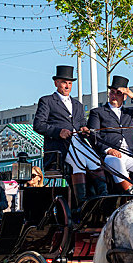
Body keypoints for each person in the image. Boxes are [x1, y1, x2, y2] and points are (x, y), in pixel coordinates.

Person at [33, 65, 107, 207]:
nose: (67, 86)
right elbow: (38, 125)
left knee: (96, 162)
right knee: (78, 163)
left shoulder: (78, 105)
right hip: (61, 147)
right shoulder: (47, 101)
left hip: (79, 142)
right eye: (63, 82)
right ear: (56, 83)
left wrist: (84, 130)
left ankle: (102, 197)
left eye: (69, 83)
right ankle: (82, 202)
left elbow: (81, 124)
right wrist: (58, 132)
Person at [87, 75, 133, 194]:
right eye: (112, 92)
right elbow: (93, 135)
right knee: (116, 161)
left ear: (124, 97)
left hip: (131, 154)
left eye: (118, 93)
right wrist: (108, 150)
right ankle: (130, 192)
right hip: (110, 155)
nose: (114, 95)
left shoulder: (130, 113)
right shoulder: (97, 112)